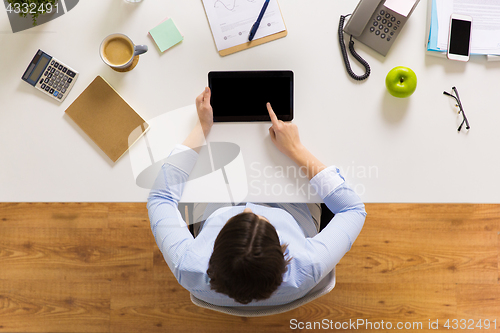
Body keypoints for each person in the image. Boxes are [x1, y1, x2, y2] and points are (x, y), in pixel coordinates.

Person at [147, 87, 366, 307]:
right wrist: (296, 149)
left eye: (238, 218)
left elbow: (161, 197)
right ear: (283, 251)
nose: (249, 209)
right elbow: (353, 209)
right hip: (292, 212)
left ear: (213, 251)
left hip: (216, 206)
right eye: (261, 220)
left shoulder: (188, 265)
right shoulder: (308, 265)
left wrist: (202, 128)